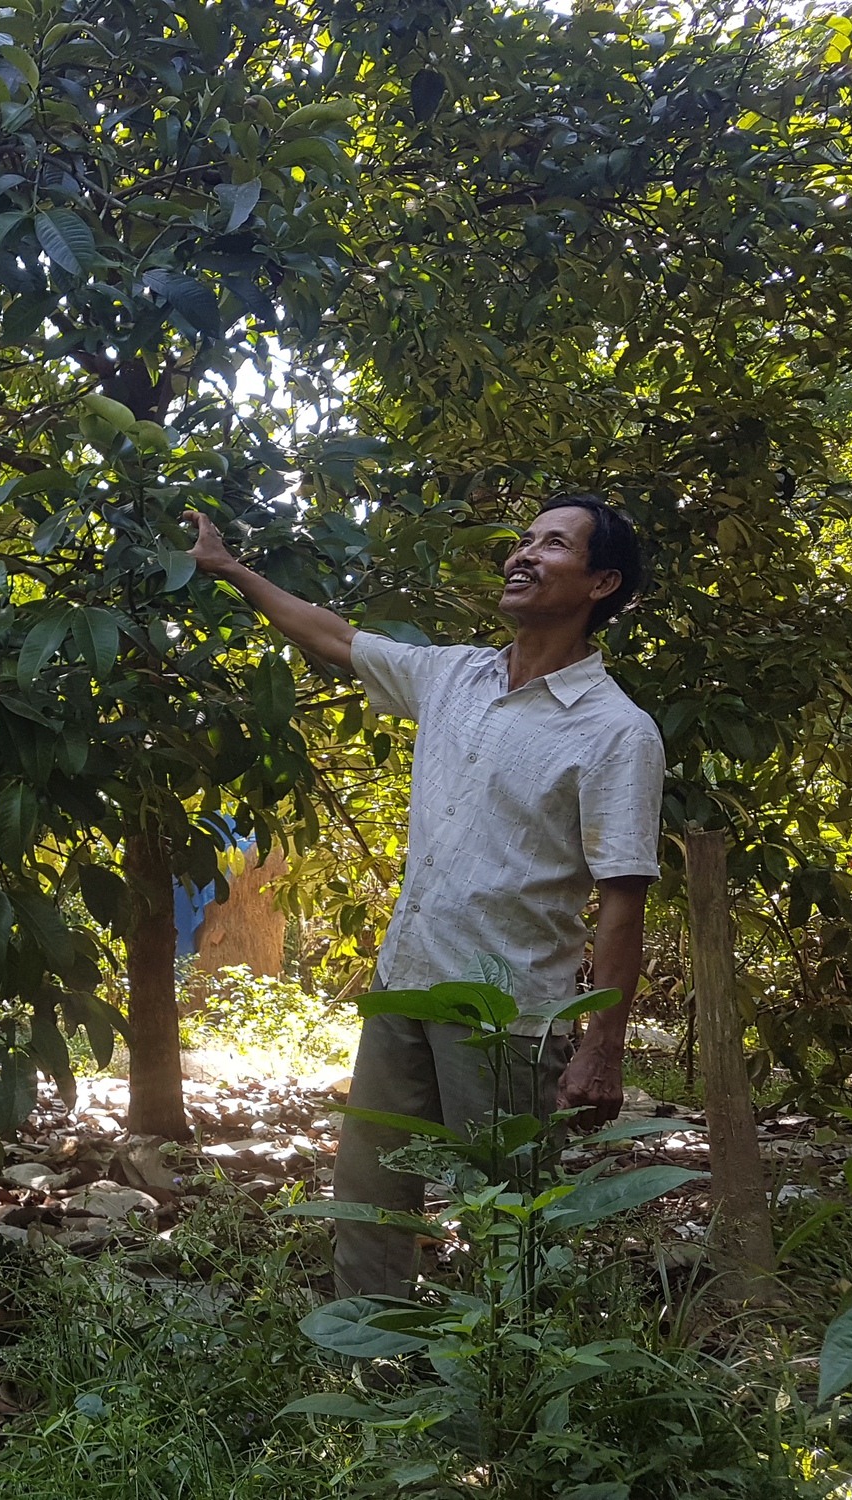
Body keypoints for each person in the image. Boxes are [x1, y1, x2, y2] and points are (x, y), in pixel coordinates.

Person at [184, 494, 664, 1300]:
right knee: (371, 1197)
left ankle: (501, 1394)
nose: (523, 554)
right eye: (522, 539)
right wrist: (230, 569)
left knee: (507, 1216)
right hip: (405, 980)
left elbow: (623, 900)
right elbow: (332, 635)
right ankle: (367, 1369)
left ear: (600, 582)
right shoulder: (454, 676)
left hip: (505, 1013)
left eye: (553, 544)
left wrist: (600, 1045)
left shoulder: (617, 731)